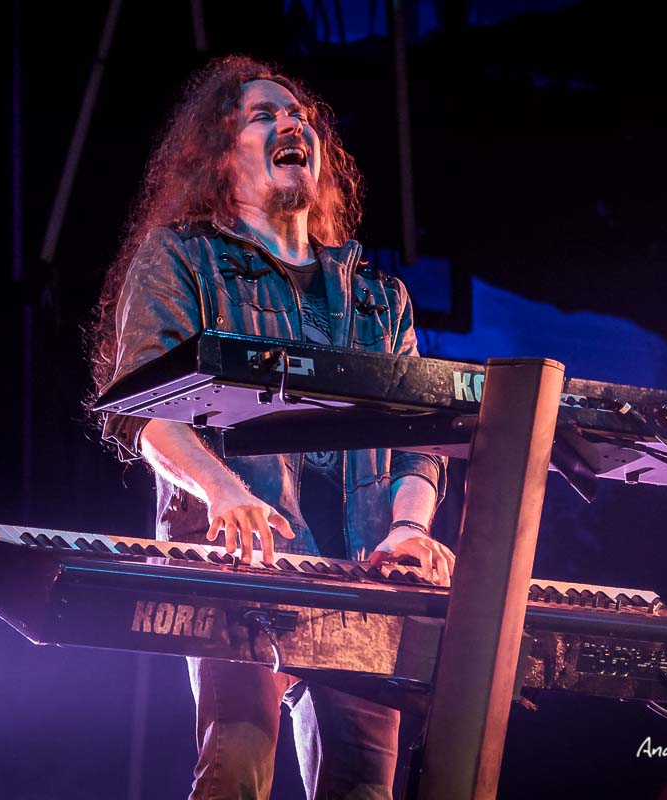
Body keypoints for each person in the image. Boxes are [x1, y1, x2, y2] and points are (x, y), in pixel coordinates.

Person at [88, 55, 454, 800]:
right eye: (264, 116)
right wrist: (223, 491)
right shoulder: (184, 257)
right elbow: (142, 408)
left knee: (364, 790)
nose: (292, 123)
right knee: (236, 771)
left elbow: (419, 438)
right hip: (239, 565)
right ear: (222, 158)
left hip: (356, 573)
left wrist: (409, 528)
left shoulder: (379, 298)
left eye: (301, 117)